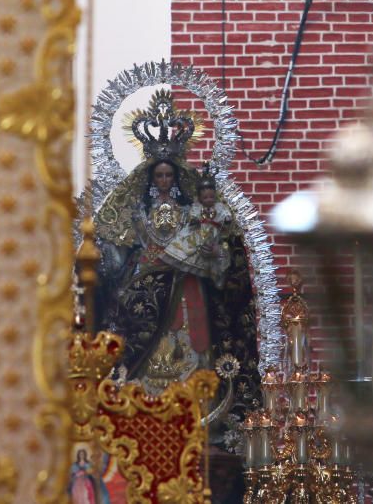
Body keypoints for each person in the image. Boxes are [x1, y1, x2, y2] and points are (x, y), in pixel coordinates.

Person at [92, 91, 260, 413]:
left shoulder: (192, 211)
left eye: (169, 174)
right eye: (159, 175)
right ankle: (146, 403)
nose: (165, 180)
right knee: (143, 332)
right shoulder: (139, 211)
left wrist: (211, 254)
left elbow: (216, 251)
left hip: (187, 284)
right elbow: (121, 251)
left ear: (177, 176)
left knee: (193, 343)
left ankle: (193, 405)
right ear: (151, 177)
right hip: (149, 284)